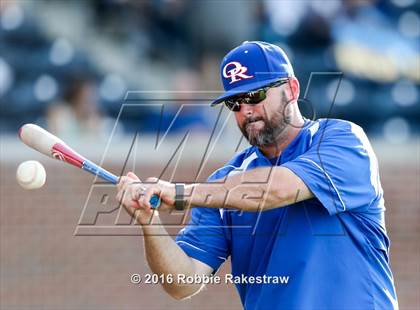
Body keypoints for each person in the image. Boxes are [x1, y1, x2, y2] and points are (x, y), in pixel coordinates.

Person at [116, 41, 398, 309]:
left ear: (292, 88)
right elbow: (183, 282)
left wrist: (182, 194)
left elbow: (276, 189)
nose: (246, 110)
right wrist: (149, 222)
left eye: (255, 95)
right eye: (234, 103)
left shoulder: (341, 140)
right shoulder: (223, 182)